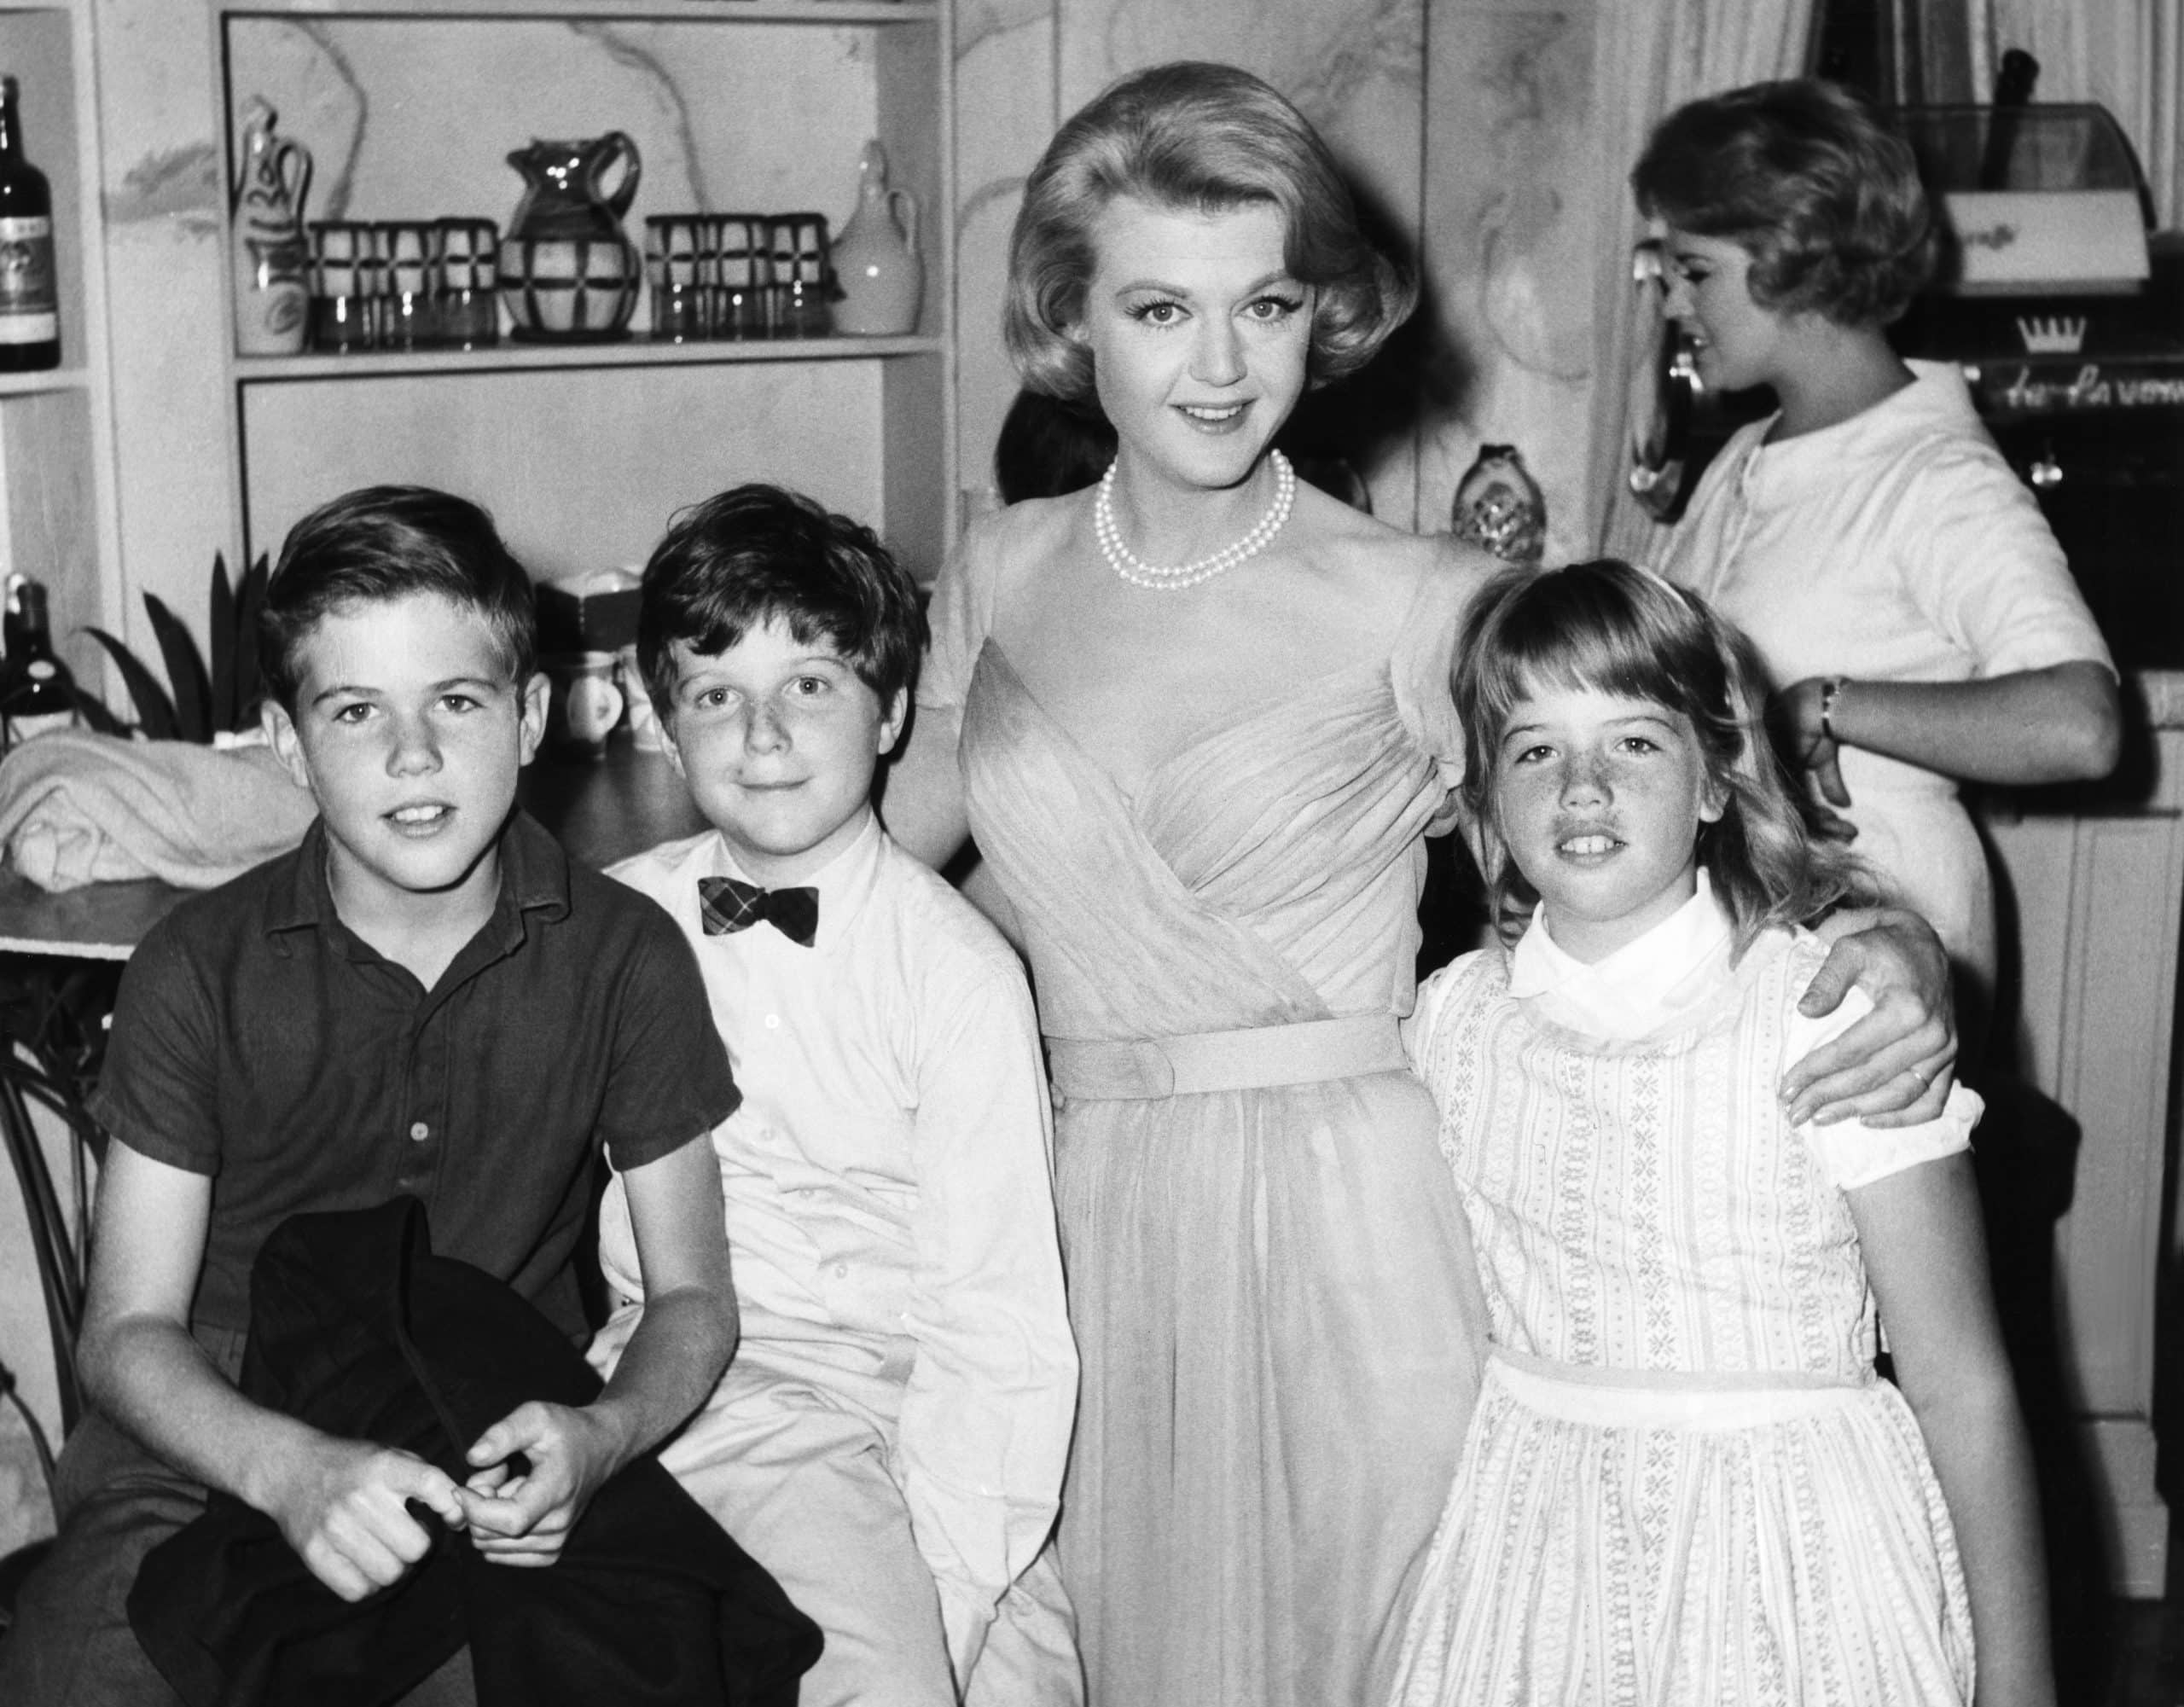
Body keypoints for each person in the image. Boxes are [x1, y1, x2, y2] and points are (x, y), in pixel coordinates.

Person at [880, 61, 1964, 1707]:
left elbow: (1674, 789)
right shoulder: (999, 568)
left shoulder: (1422, 597)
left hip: (1349, 1230)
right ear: (1069, 318)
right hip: (1074, 1219)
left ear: (1321, 318)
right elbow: (862, 885)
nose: (1224, 362)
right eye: (1163, 307)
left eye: (1269, 304)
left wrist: (1886, 939)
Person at [0, 486, 745, 1706]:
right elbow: (126, 1333)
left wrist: (600, 1439)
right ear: (290, 747)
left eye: (456, 700)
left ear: (531, 716)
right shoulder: (198, 964)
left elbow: (694, 1298)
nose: (414, 756)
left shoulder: (626, 955)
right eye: (356, 711)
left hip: (488, 1409)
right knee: (74, 1679)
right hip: (213, 1421)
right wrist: (290, 1473)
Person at [1391, 559, 2051, 1704]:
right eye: (1536, 748)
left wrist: (2023, 1681)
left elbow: (1961, 1380)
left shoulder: (1829, 1008)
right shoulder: (1455, 1019)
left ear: (1712, 778)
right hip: (1537, 1560)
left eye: (1635, 742)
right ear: (1486, 795)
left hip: (1797, 1562)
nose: (1584, 786)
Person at [594, 484, 1082, 1707]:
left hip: (894, 1406)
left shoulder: (957, 972)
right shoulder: (616, 924)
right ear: (665, 723)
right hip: (669, 1383)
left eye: (809, 684)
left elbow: (998, 1324)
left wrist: (950, 1594)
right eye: (717, 695)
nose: (762, 735)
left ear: (892, 712)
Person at [1637, 78, 2121, 1047]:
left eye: (1696, 271)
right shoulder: (1747, 454)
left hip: (1888, 938)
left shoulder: (1933, 475)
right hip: (1764, 923)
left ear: (1792, 262)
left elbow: (2082, 725)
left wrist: (1826, 705)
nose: (1674, 303)